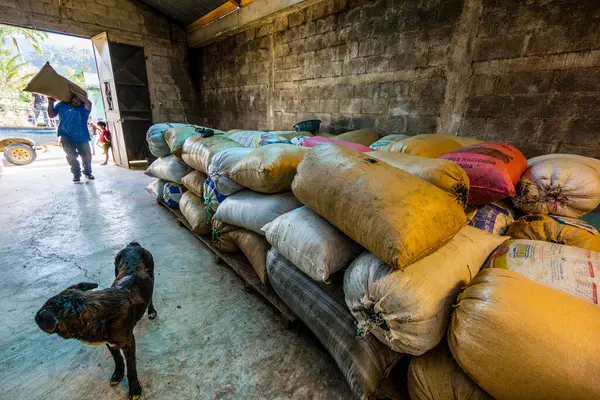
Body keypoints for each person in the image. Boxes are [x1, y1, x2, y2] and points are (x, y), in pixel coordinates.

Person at [48, 94, 94, 182]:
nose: (77, 101)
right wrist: (50, 103)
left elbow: (88, 103)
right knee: (71, 156)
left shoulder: (84, 109)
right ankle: (76, 174)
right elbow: (51, 115)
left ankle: (88, 173)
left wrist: (76, 92)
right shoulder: (62, 105)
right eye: (75, 99)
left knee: (87, 157)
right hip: (66, 136)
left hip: (82, 137)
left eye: (79, 100)